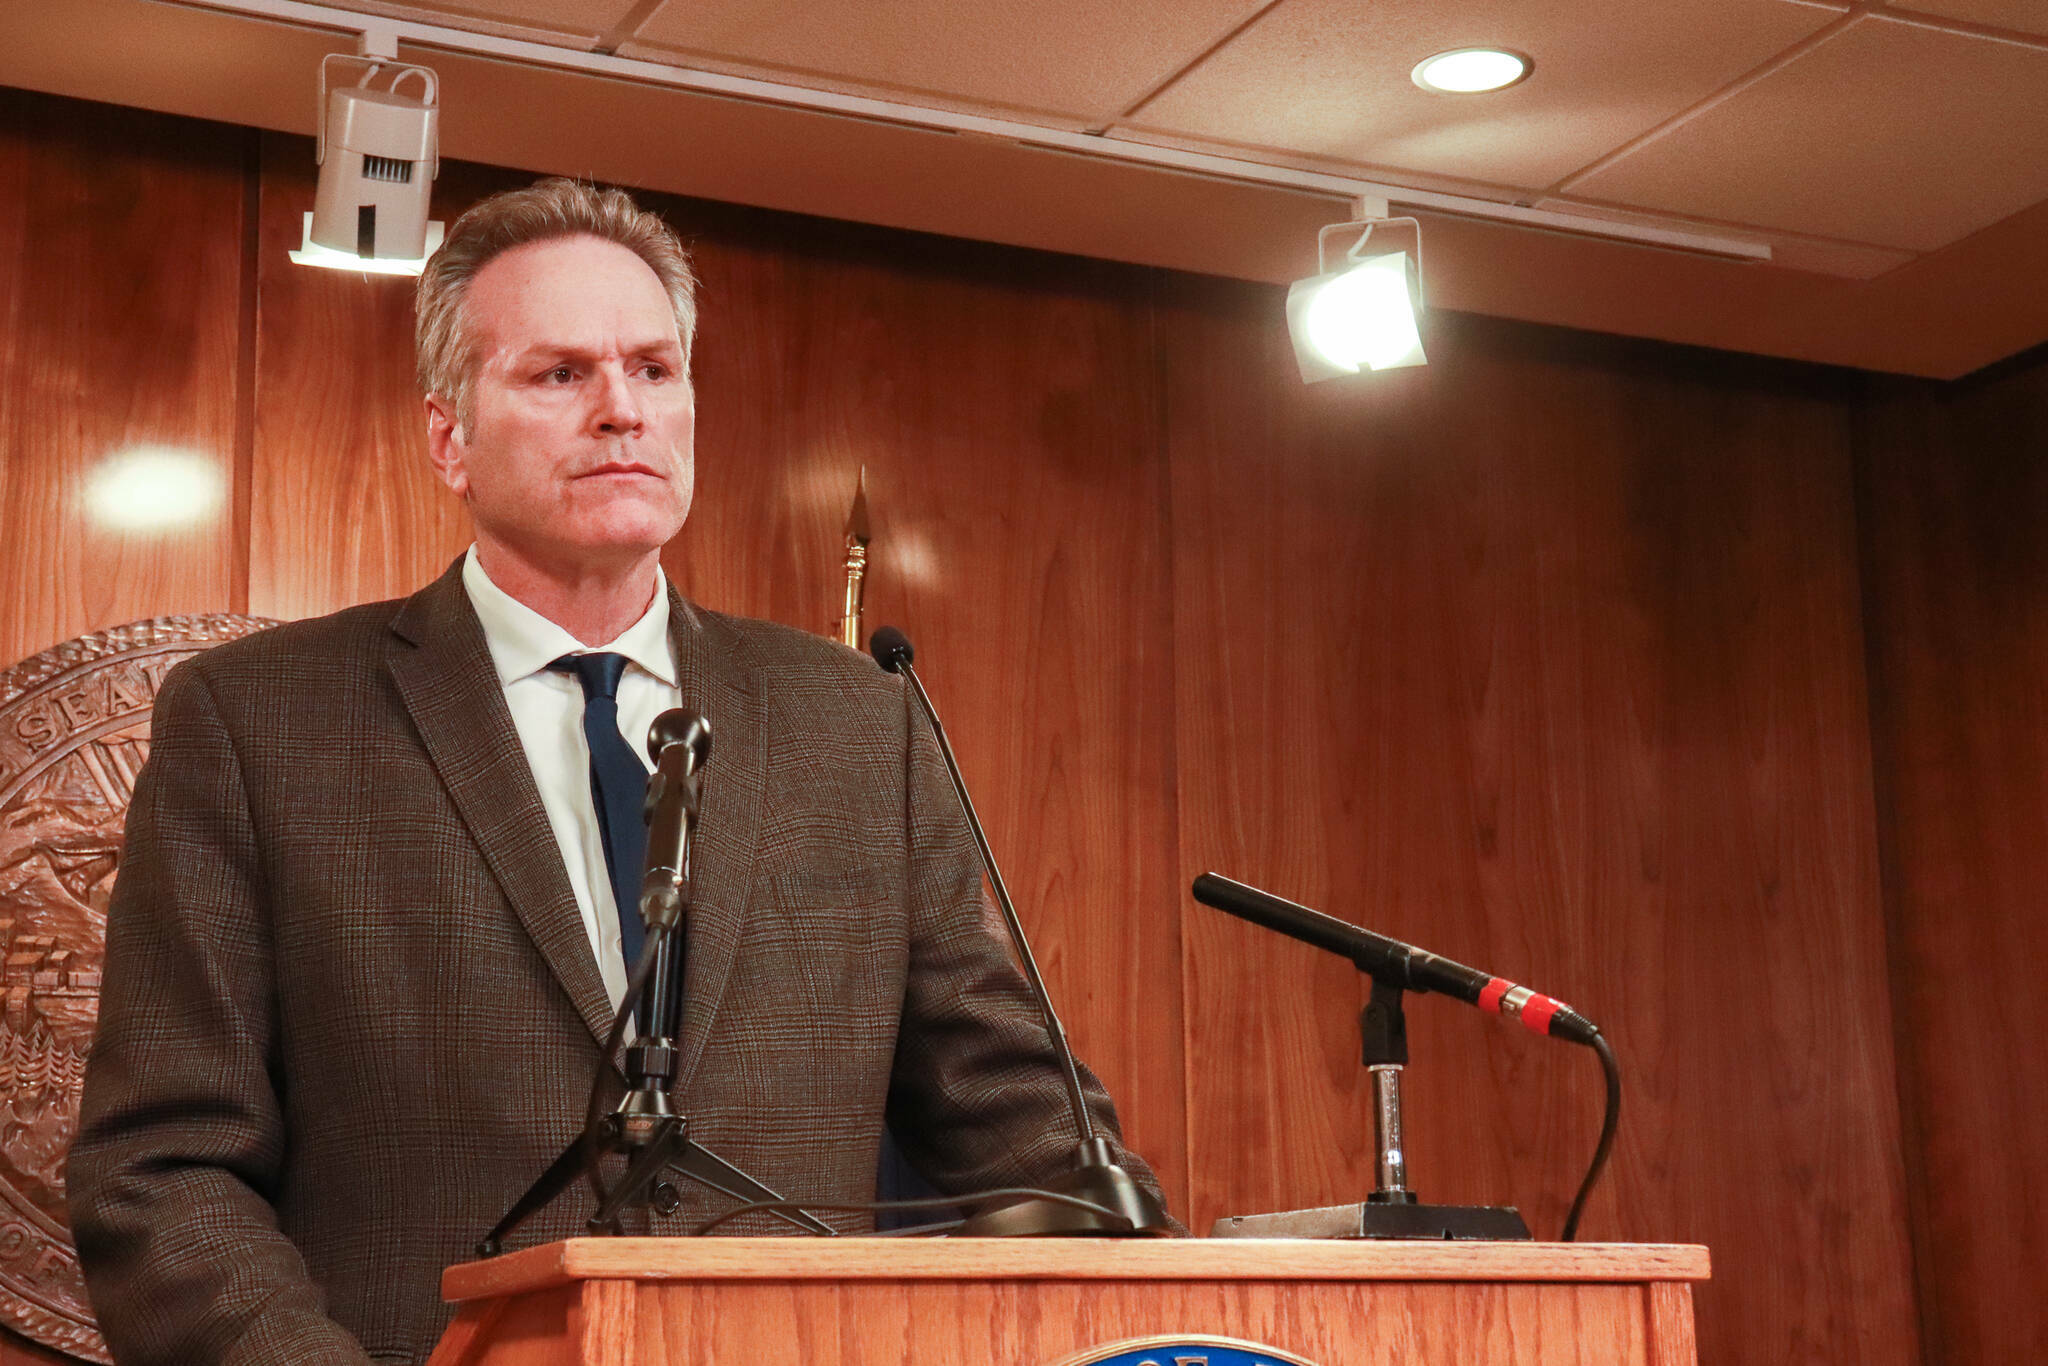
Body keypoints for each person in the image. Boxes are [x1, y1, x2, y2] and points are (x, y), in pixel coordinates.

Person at [67, 178, 1169, 1366]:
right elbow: (162, 1168)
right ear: (449, 437)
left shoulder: (858, 722)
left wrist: (1167, 1306)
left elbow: (1020, 1122)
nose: (621, 411)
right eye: (559, 374)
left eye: (653, 369)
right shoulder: (261, 721)